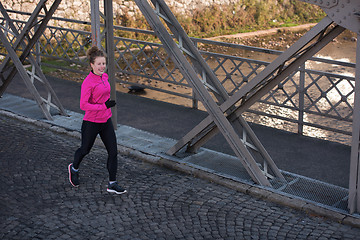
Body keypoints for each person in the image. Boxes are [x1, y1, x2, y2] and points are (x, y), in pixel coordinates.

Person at [68, 45, 126, 194]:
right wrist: (103, 105)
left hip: (105, 121)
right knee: (85, 150)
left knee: (113, 152)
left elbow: (104, 94)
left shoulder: (104, 77)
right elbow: (83, 105)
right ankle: (74, 168)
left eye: (104, 63)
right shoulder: (88, 82)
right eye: (99, 64)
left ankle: (112, 183)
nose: (102, 66)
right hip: (91, 122)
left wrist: (108, 105)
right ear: (92, 64)